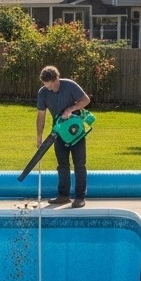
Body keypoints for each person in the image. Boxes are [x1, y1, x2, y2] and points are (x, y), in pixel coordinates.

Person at [34, 65, 90, 209]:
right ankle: (63, 196)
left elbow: (86, 100)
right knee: (62, 164)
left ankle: (80, 197)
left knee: (79, 164)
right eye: (45, 84)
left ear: (56, 79)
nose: (47, 87)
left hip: (76, 131)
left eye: (49, 84)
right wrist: (39, 137)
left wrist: (71, 108)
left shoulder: (70, 86)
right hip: (58, 132)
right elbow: (41, 116)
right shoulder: (43, 92)